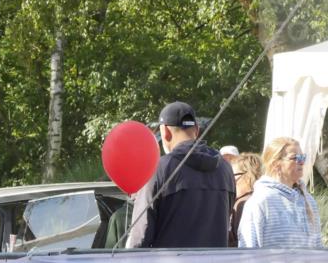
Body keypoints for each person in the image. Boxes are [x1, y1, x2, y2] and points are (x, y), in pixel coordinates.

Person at [126, 102, 233, 249]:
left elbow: (140, 237)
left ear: (165, 132)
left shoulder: (159, 169)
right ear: (196, 130)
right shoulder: (225, 169)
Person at [238, 138, 323, 249]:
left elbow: (318, 247)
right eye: (295, 158)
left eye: (302, 157)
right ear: (276, 164)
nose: (301, 162)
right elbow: (248, 250)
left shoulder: (308, 200)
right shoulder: (260, 201)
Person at [229, 152, 262, 247]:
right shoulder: (260, 199)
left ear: (248, 175)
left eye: (233, 176)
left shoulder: (244, 204)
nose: (230, 180)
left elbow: (244, 243)